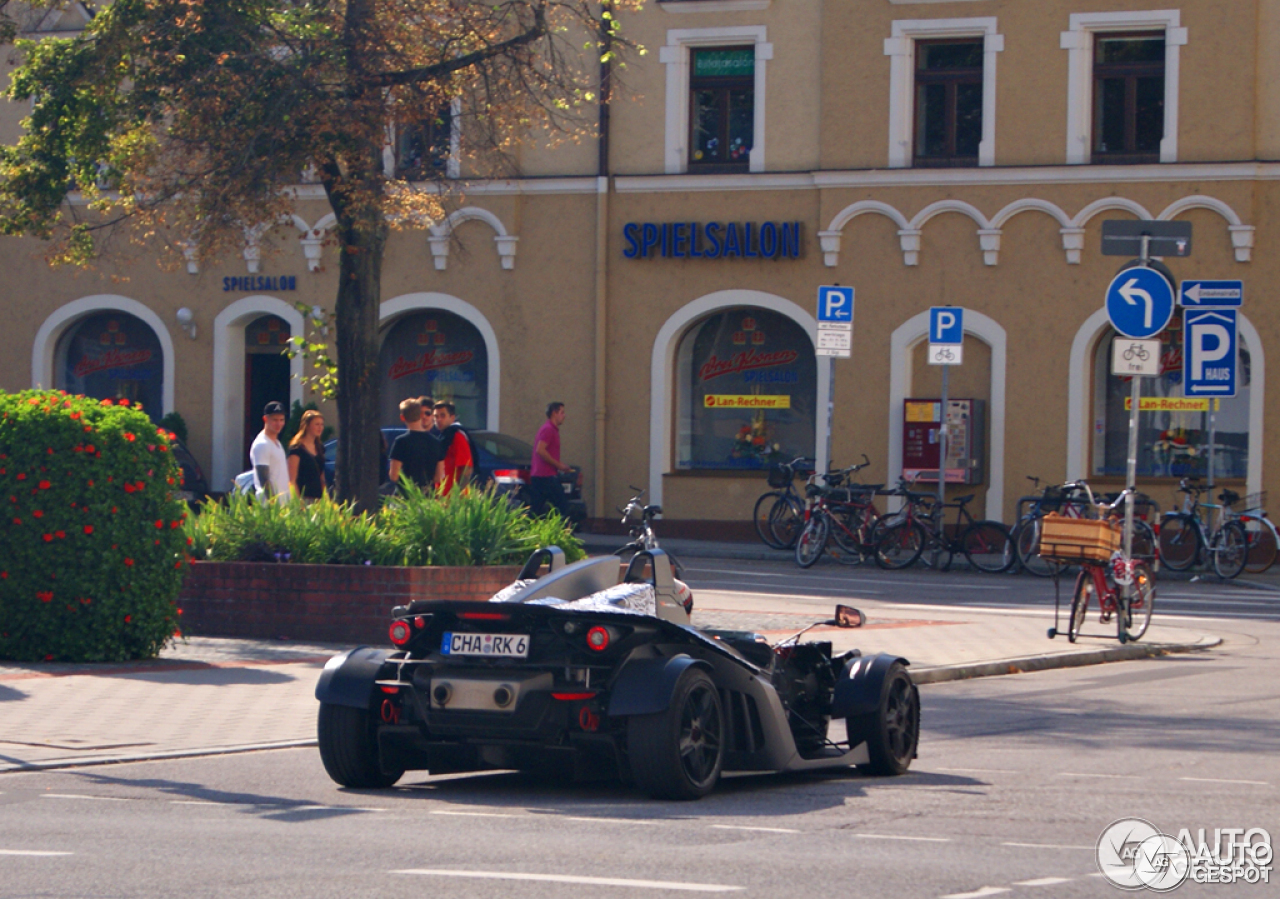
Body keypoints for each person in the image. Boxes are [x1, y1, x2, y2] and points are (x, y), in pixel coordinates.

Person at [388, 398, 442, 492]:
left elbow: (394, 475)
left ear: (402, 417)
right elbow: (439, 477)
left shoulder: (401, 442)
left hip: (405, 495)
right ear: (420, 415)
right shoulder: (436, 442)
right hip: (427, 495)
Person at [529, 401, 572, 517]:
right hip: (546, 476)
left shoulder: (550, 429)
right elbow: (540, 450)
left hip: (540, 476)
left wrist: (560, 466)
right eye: (562, 412)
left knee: (536, 510)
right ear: (554, 413)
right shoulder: (548, 429)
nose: (564, 416)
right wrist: (559, 466)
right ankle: (565, 531)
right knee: (562, 507)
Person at [250, 400, 291, 503]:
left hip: (283, 503)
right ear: (265, 419)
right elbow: (263, 478)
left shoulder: (276, 443)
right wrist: (273, 503)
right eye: (275, 420)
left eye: (281, 420)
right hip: (269, 505)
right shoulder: (262, 444)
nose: (279, 424)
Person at [286, 409, 327, 501]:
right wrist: (297, 502)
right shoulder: (297, 449)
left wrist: (326, 498)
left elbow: (321, 476)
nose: (320, 427)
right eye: (316, 424)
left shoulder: (320, 448)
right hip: (303, 497)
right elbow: (292, 480)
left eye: (322, 424)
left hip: (318, 498)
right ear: (307, 426)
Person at [433, 401, 473, 495]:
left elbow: (467, 469)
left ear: (452, 418)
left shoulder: (457, 436)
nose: (438, 419)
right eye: (436, 416)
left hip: (453, 499)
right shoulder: (444, 437)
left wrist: (456, 495)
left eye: (442, 416)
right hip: (442, 494)